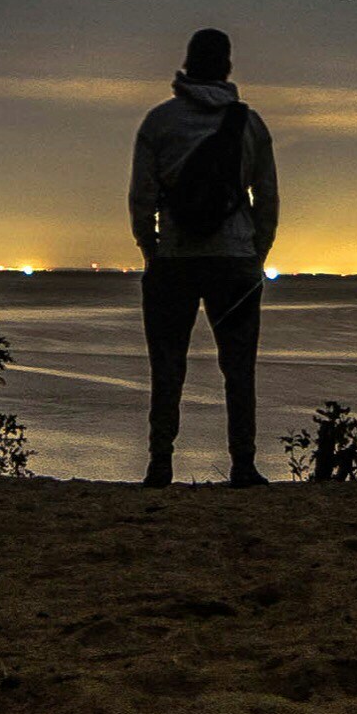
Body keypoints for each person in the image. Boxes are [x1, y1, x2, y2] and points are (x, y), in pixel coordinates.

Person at [128, 27, 280, 487]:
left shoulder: (159, 122)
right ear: (228, 67)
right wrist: (257, 253)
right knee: (238, 367)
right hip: (234, 259)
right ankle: (243, 463)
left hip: (175, 258)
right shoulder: (249, 124)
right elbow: (267, 201)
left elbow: (142, 197)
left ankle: (160, 463)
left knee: (167, 364)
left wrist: (150, 248)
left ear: (187, 64)